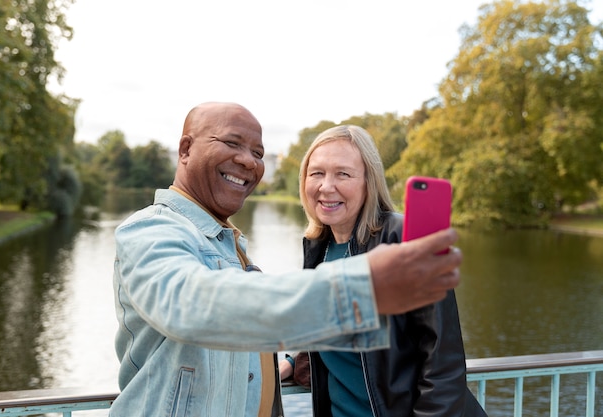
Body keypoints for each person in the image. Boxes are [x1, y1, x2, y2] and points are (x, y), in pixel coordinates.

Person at [110, 102, 463, 417]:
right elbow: (194, 303)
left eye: (258, 152)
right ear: (186, 149)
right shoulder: (152, 228)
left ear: (369, 182)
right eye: (232, 143)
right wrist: (362, 289)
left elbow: (440, 364)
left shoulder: (226, 242)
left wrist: (296, 356)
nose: (248, 160)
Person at [280, 125, 486, 416]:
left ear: (368, 181)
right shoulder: (318, 248)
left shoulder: (402, 238)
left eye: (343, 174)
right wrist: (293, 358)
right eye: (316, 173)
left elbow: (442, 361)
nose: (326, 186)